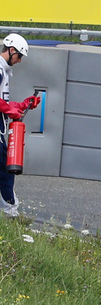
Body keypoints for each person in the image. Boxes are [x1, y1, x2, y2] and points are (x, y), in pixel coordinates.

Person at [0, 34, 37, 218]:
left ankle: (10, 211)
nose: (20, 60)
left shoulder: (4, 71)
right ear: (11, 50)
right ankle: (10, 212)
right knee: (6, 170)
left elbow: (3, 103)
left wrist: (23, 105)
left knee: (5, 170)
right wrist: (11, 110)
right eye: (19, 56)